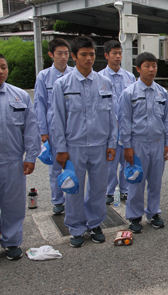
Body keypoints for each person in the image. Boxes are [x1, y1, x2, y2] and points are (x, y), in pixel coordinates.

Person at [51, 36, 117, 248]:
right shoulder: (62, 85)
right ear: (73, 56)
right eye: (83, 55)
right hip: (74, 146)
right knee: (73, 188)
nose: (88, 59)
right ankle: (77, 227)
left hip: (99, 145)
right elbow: (57, 120)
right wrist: (61, 149)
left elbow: (112, 118)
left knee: (98, 188)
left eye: (92, 55)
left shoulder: (105, 83)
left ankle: (95, 223)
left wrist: (111, 144)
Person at [119, 52, 168, 233]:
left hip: (158, 143)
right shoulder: (129, 93)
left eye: (154, 66)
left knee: (155, 181)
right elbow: (124, 122)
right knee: (136, 181)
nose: (151, 69)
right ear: (138, 69)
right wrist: (127, 146)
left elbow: (167, 120)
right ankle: (134, 216)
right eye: (147, 66)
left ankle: (153, 212)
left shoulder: (162, 92)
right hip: (138, 143)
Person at [0, 54, 40, 260]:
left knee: (13, 204)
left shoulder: (20, 96)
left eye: (4, 67)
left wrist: (31, 156)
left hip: (12, 161)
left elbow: (31, 129)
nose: (1, 71)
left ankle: (12, 242)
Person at [34, 38, 73, 215]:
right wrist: (43, 132)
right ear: (51, 55)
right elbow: (39, 105)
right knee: (56, 167)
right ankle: (58, 200)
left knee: (75, 165)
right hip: (54, 129)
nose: (63, 57)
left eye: (66, 53)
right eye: (59, 53)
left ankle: (73, 199)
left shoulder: (74, 74)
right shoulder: (43, 76)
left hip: (74, 128)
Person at [99, 40, 136, 205]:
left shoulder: (129, 77)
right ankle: (108, 191)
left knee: (127, 159)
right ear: (106, 55)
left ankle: (125, 189)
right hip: (108, 128)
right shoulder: (99, 77)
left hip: (127, 126)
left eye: (120, 53)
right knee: (110, 162)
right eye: (114, 53)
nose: (118, 56)